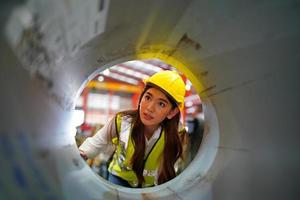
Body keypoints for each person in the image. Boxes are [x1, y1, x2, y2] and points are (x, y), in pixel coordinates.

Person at [79, 70, 187, 188]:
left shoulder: (177, 133)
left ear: (172, 112)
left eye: (161, 104)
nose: (150, 108)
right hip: (118, 178)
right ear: (141, 98)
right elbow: (98, 141)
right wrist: (82, 154)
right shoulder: (122, 121)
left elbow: (168, 167)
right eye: (148, 97)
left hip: (149, 185)